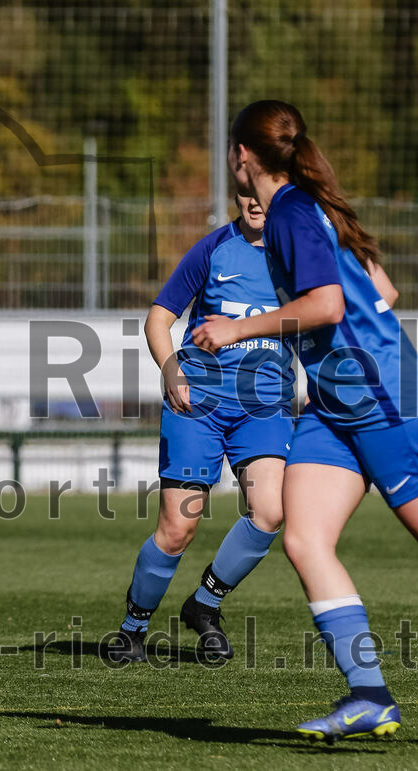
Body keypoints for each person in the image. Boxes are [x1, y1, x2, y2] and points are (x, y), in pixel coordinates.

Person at [193, 100, 406, 741]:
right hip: (336, 406)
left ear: (242, 155)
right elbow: (383, 292)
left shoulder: (289, 210)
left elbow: (329, 304)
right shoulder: (306, 205)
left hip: (383, 398)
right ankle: (368, 695)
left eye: (232, 151)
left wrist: (237, 329)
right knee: (303, 537)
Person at [111, 194, 294, 664]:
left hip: (265, 406)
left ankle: (205, 604)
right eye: (245, 188)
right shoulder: (213, 249)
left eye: (264, 187)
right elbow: (159, 318)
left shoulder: (300, 255)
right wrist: (172, 369)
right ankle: (133, 629)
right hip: (199, 404)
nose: (254, 199)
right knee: (178, 528)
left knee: (270, 511)